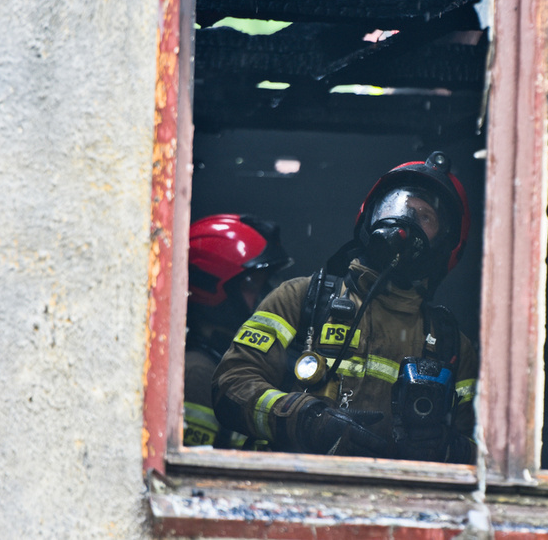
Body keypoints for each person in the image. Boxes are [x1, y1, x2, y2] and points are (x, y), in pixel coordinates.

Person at [211, 151, 478, 463]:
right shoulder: (300, 299)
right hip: (289, 495)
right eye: (397, 206)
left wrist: (447, 449)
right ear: (370, 216)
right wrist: (302, 419)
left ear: (445, 245)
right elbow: (231, 385)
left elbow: (490, 452)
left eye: (425, 217)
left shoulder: (451, 346)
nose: (405, 221)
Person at [183, 213, 293, 448]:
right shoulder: (199, 375)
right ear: (210, 286)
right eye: (252, 284)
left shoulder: (229, 362)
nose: (263, 297)